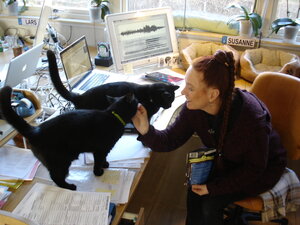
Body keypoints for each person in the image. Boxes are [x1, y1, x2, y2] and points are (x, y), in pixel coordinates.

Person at [132, 50, 287, 225]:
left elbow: (254, 169)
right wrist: (146, 130)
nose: (183, 92)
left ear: (213, 94)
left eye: (190, 88)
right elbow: (170, 140)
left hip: (261, 170)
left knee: (210, 204)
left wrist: (212, 188)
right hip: (226, 160)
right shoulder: (194, 109)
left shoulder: (251, 119)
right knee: (194, 190)